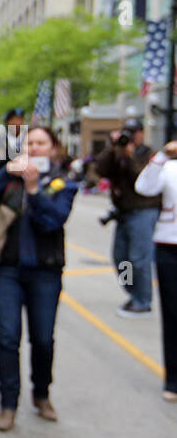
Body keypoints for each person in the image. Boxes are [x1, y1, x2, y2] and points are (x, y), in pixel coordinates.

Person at [0, 125, 78, 430]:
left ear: (53, 147)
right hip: (6, 269)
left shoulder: (63, 181)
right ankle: (8, 403)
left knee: (43, 339)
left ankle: (41, 393)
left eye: (41, 143)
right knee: (8, 338)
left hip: (45, 271)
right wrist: (7, 172)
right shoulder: (11, 175)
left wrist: (33, 190)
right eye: (29, 142)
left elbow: (53, 221)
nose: (35, 147)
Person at [92, 118, 160, 317]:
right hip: (123, 212)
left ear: (142, 133)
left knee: (139, 259)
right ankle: (133, 293)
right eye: (127, 131)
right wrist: (112, 148)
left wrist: (129, 157)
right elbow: (99, 170)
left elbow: (142, 181)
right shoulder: (117, 153)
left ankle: (143, 301)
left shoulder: (149, 154)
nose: (131, 135)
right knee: (121, 258)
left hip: (144, 211)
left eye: (134, 131)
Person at [134, 141, 177, 401]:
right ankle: (173, 379)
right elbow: (144, 187)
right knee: (172, 315)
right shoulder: (169, 167)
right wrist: (162, 155)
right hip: (170, 246)